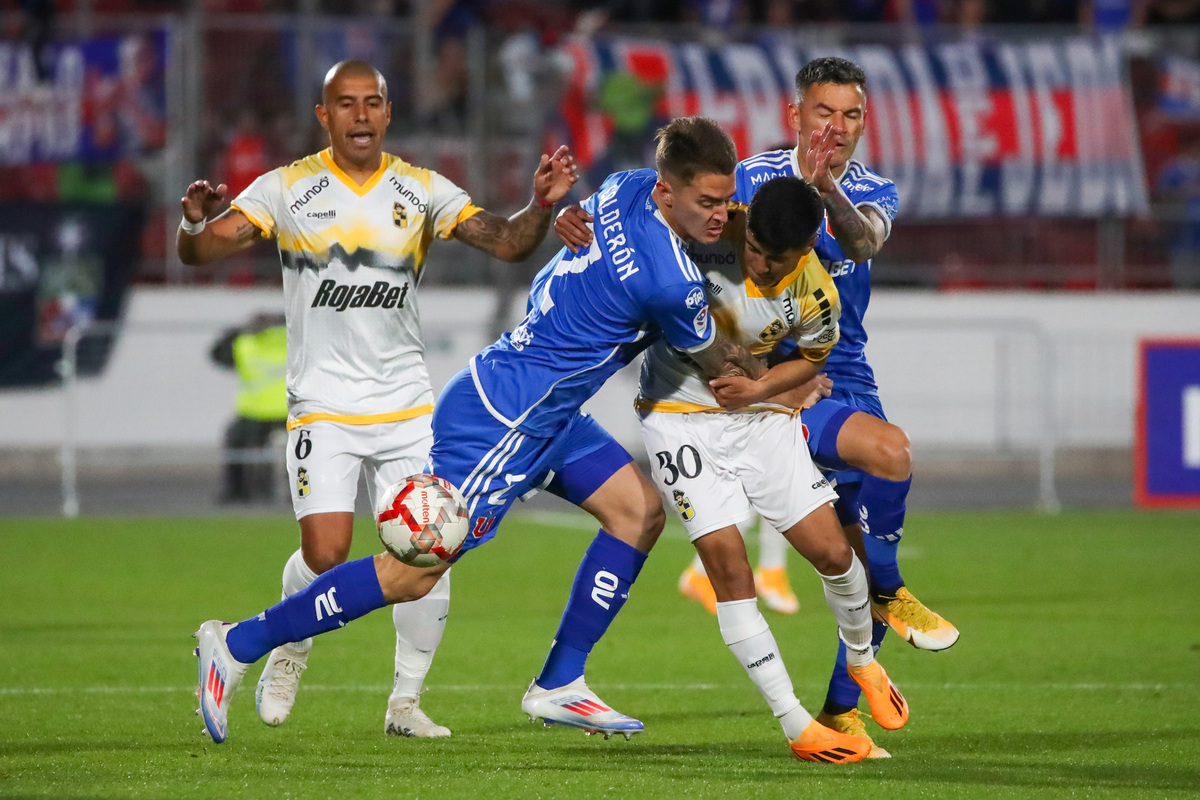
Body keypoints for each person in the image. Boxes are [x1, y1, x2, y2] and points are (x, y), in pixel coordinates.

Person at [193, 116, 827, 753]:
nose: (722, 215)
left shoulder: (628, 187)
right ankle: (237, 642)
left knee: (637, 511)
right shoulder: (669, 282)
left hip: (542, 407)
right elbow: (724, 366)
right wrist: (791, 382)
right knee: (411, 573)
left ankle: (559, 681)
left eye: (726, 200)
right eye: (708, 203)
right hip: (506, 420)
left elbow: (589, 228)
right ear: (667, 192)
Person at [179, 59, 578, 740]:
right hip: (324, 406)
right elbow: (204, 250)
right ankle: (289, 647)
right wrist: (192, 226)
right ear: (323, 116)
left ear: (388, 114)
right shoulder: (286, 189)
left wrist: (539, 206)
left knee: (432, 546)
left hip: (407, 407)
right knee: (328, 552)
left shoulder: (420, 191)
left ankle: (404, 704)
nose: (360, 115)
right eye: (346, 104)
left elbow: (508, 244)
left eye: (373, 103)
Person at [731, 56, 958, 753]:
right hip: (787, 377)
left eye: (851, 115)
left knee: (859, 551)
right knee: (891, 452)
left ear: (865, 123)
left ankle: (837, 715)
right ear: (795, 115)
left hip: (848, 371)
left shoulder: (871, 190)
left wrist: (825, 188)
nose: (837, 127)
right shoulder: (746, 177)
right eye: (823, 112)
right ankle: (891, 589)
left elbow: (862, 240)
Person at [637, 175, 907, 763]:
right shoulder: (706, 231)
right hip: (677, 418)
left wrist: (760, 386)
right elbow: (638, 213)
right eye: (752, 247)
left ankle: (862, 661)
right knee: (731, 573)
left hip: (758, 417)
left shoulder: (817, 296)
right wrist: (570, 222)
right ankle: (798, 726)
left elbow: (811, 362)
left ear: (807, 248)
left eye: (773, 258)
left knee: (836, 556)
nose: (757, 263)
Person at [210, 312, 288, 503]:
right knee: (306, 449)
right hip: (291, 412)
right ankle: (304, 491)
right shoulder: (295, 341)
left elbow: (217, 354)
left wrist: (240, 330)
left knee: (235, 441)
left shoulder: (244, 343)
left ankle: (237, 490)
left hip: (254, 413)